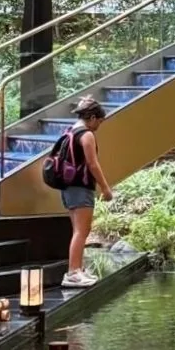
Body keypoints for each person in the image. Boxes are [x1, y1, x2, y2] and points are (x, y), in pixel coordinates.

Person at [59, 95, 112, 286]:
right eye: (99, 121)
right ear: (91, 118)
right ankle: (73, 272)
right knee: (82, 231)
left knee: (77, 231)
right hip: (81, 187)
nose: (99, 125)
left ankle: (77, 269)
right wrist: (105, 188)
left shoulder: (71, 131)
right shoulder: (87, 134)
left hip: (68, 187)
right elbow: (93, 164)